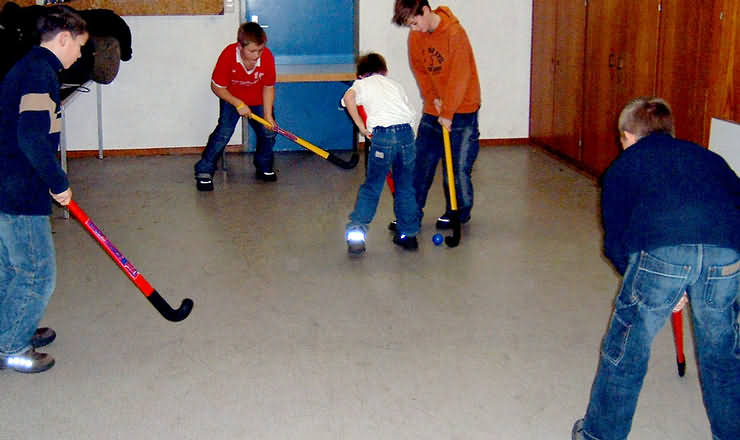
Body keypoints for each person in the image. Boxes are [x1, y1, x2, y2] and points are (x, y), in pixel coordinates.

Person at [572, 97, 740, 440]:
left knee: (626, 349)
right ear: (669, 131)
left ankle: (598, 436)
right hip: (726, 251)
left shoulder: (623, 166)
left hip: (663, 253)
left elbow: (616, 241)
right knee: (722, 353)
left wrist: (647, 280)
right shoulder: (708, 157)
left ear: (627, 136)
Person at [0, 5, 88, 373]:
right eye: (79, 46)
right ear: (63, 38)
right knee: (37, 271)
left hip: (9, 183)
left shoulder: (30, 67)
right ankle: (11, 347)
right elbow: (32, 137)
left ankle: (10, 328)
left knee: (11, 267)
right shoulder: (39, 73)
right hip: (20, 188)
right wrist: (59, 182)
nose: (80, 54)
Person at [391, 0, 481, 231]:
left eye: (415, 22)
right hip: (435, 110)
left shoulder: (455, 33)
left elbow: (460, 76)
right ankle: (411, 213)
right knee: (420, 162)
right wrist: (433, 100)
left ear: (426, 10)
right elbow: (420, 71)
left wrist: (449, 112)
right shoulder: (416, 37)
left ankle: (458, 213)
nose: (414, 29)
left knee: (457, 168)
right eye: (409, 25)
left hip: (463, 110)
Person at [342, 52, 419, 254]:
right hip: (406, 135)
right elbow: (411, 114)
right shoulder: (395, 84)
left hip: (383, 136)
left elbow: (348, 98)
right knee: (405, 187)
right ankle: (409, 235)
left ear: (360, 74)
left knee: (372, 187)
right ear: (384, 71)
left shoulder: (361, 84)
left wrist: (361, 127)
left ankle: (357, 235)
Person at [194, 22, 277, 190]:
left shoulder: (267, 57)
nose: (257, 55)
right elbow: (217, 86)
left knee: (268, 132)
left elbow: (268, 87)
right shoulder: (228, 55)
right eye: (252, 51)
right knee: (224, 132)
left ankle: (264, 166)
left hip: (257, 100)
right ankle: (204, 169)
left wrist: (267, 115)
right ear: (240, 46)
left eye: (260, 50)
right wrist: (238, 103)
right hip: (232, 98)